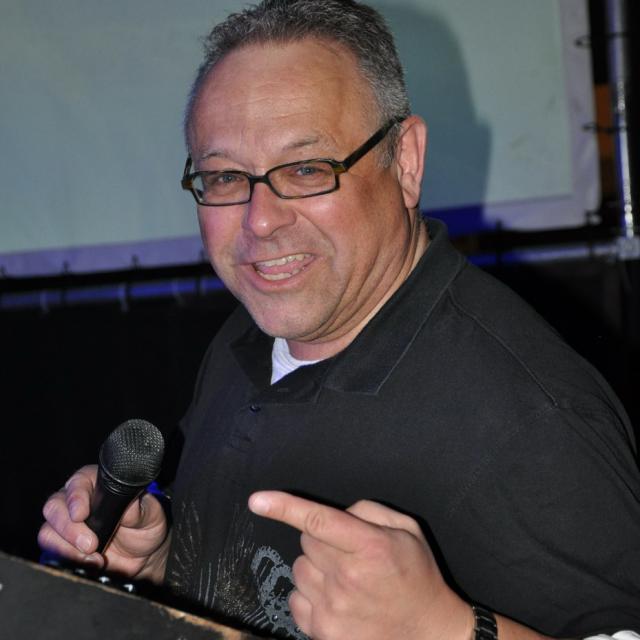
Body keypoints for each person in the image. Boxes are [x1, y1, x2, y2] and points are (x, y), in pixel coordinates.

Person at [39, 1, 640, 639]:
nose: (260, 221)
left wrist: (440, 628)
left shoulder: (530, 417)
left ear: (405, 162)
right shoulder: (253, 335)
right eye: (225, 177)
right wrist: (161, 560)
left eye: (306, 170)